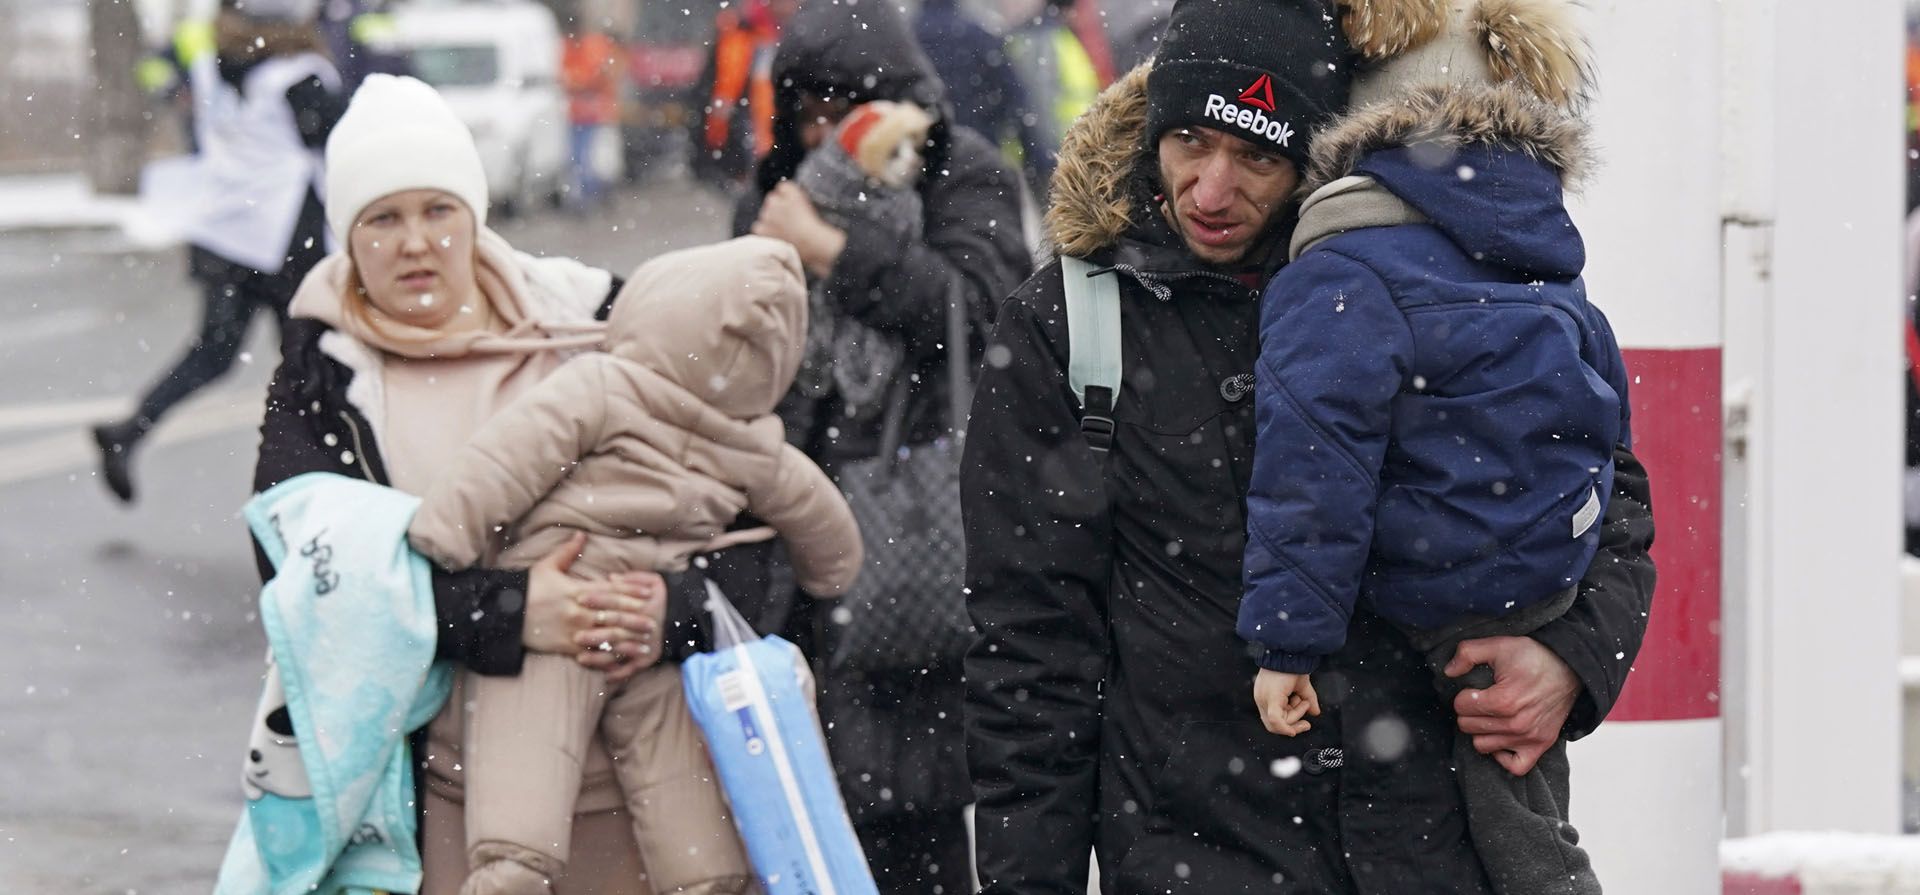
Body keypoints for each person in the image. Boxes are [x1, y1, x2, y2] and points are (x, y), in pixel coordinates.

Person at [960, 0, 1660, 891]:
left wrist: (1575, 657)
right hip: (1202, 854)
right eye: (1187, 141)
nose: (1210, 190)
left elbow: (1609, 488)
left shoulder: (1435, 274)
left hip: (1429, 848)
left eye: (1256, 154)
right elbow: (1030, 651)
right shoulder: (1070, 324)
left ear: (1321, 146)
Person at [251, 73, 672, 894]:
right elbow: (304, 586)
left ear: (474, 216)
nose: (416, 242)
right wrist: (510, 614)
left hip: (636, 786)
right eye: (384, 218)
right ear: (348, 234)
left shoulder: (596, 323)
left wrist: (670, 611)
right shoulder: (320, 383)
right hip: (440, 808)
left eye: (438, 210)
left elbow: (726, 507)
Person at [1241, 2, 1617, 891]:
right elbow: (1607, 435)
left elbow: (1314, 468)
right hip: (1539, 586)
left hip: (1422, 596)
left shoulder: (1343, 271)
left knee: (1487, 819)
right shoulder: (1541, 256)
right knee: (1519, 802)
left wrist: (1285, 641)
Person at [404, 235, 862, 895]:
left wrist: (440, 535)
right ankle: (708, 876)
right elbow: (828, 534)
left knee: (529, 729)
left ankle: (513, 863)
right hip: (649, 634)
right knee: (672, 755)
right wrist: (831, 573)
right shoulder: (754, 441)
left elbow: (507, 459)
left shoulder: (600, 384)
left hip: (567, 587)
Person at [732, 0, 1032, 890]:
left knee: (916, 821)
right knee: (794, 813)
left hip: (913, 527)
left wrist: (830, 249)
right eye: (810, 113)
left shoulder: (961, 175)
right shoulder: (774, 191)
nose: (828, 135)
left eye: (848, 111)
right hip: (795, 532)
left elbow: (978, 313)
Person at [94, 0, 346, 505]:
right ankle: (313, 481)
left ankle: (131, 429)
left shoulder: (211, 62)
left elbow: (176, 92)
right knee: (308, 364)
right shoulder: (301, 74)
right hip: (285, 236)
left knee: (214, 352)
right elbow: (336, 141)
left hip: (225, 231)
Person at [561, 25, 622, 212]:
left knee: (591, 158)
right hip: (581, 115)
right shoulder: (573, 49)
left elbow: (599, 76)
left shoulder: (593, 48)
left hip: (596, 115)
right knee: (580, 158)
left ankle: (592, 194)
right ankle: (588, 196)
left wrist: (581, 83)